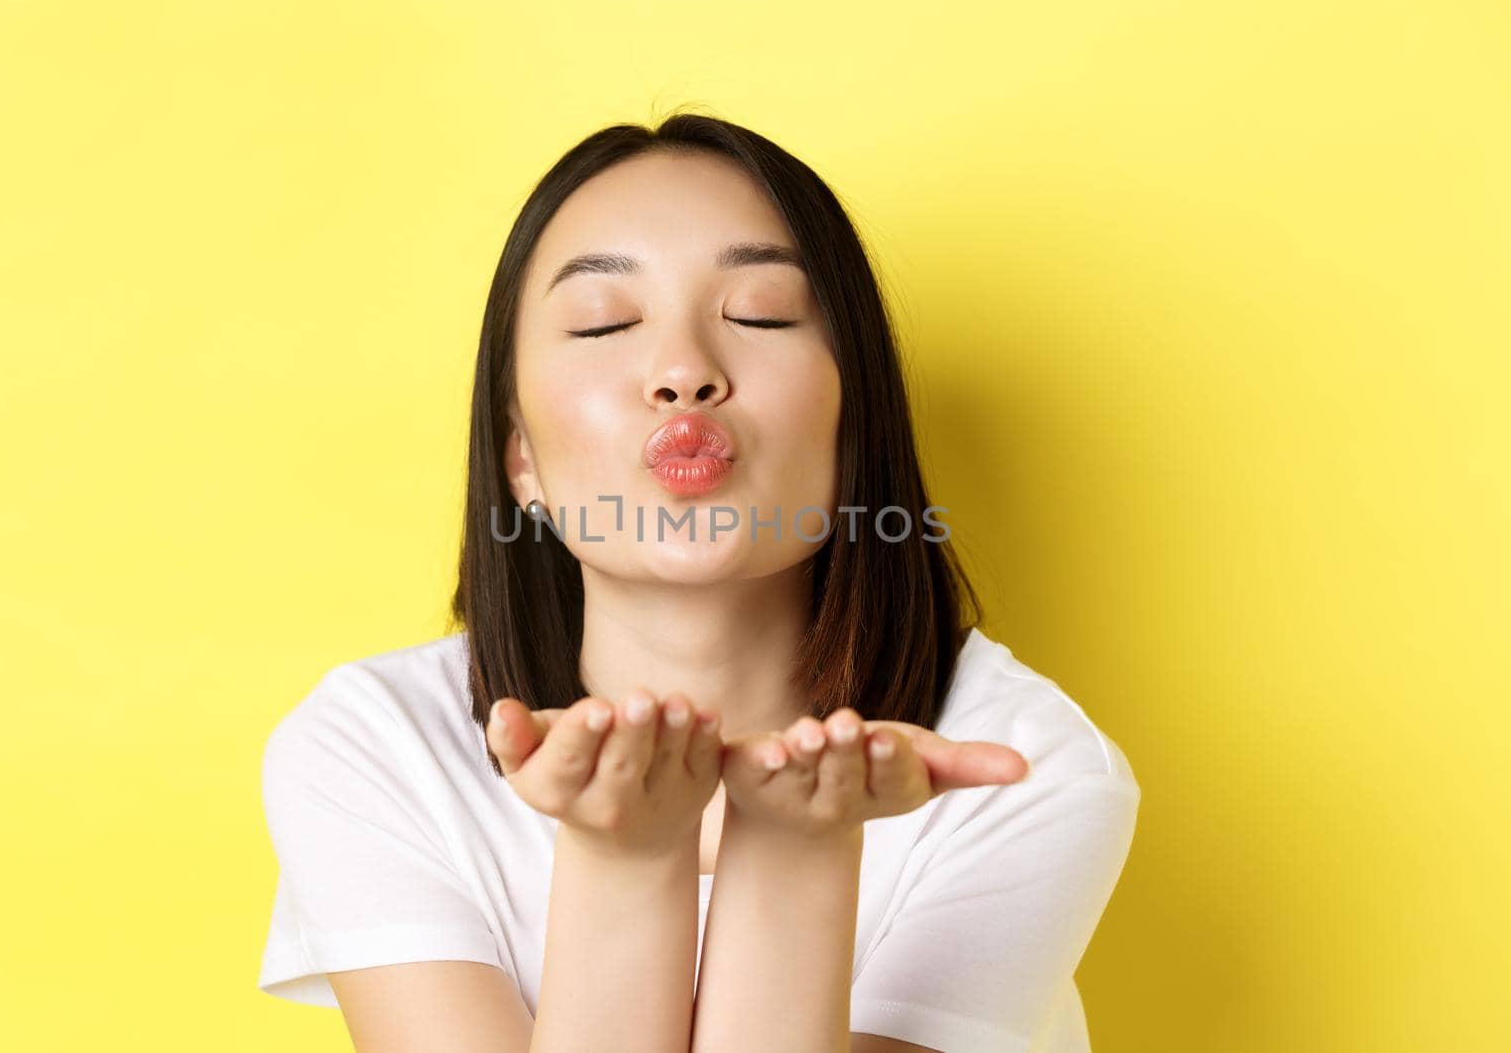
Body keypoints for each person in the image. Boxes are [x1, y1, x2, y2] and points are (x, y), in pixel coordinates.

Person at [256, 112, 1141, 1053]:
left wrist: (793, 849)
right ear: (521, 458)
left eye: (759, 313)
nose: (683, 373)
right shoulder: (375, 745)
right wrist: (628, 858)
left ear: (856, 427)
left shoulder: (1020, 767)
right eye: (605, 323)